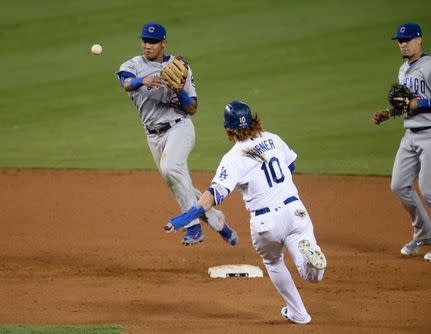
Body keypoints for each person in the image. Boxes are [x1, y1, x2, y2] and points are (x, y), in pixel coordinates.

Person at [164, 101, 327, 324]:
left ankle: (299, 313)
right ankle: (310, 262)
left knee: (274, 263)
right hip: (295, 209)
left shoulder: (233, 158)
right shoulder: (273, 138)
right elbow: (290, 167)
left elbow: (211, 197)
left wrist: (184, 218)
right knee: (310, 274)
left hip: (266, 222)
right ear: (253, 120)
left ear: (228, 130)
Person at [116, 22, 233, 246]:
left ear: (163, 43)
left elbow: (192, 109)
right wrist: (145, 80)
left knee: (172, 169)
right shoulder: (132, 65)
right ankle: (218, 222)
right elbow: (126, 83)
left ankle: (193, 227)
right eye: (144, 41)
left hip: (179, 127)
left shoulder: (180, 68)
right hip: (153, 135)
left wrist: (179, 91)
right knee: (177, 182)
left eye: (152, 41)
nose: (147, 46)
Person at [372, 23, 431, 262]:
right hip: (411, 135)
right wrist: (389, 113)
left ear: (420, 40)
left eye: (408, 40)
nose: (403, 44)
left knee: (429, 190)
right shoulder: (403, 69)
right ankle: (424, 234)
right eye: (400, 41)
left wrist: (419, 105)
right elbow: (407, 103)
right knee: (399, 185)